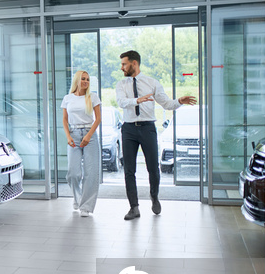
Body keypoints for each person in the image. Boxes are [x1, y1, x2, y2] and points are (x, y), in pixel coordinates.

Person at [115, 50, 197, 220]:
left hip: (148, 128)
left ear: (134, 63)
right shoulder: (121, 84)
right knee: (129, 170)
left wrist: (179, 102)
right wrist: (137, 100)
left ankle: (154, 196)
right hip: (129, 129)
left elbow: (167, 104)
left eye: (124, 64)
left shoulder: (152, 82)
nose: (122, 67)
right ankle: (134, 207)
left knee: (153, 167)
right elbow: (122, 102)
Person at [61, 70, 102, 217]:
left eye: (88, 79)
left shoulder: (93, 97)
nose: (85, 81)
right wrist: (68, 136)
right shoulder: (67, 98)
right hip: (73, 135)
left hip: (90, 136)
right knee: (73, 173)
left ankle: (86, 206)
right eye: (83, 79)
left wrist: (88, 136)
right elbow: (65, 120)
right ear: (77, 80)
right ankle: (77, 198)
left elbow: (98, 119)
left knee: (91, 173)